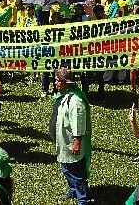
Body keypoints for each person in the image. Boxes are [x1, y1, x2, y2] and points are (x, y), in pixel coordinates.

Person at [52, 68, 92, 204]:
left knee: (75, 172)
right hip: (65, 141)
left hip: (72, 143)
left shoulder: (75, 101)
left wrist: (77, 142)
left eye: (57, 80)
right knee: (66, 168)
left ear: (65, 83)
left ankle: (83, 199)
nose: (55, 83)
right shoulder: (64, 96)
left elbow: (78, 122)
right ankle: (73, 190)